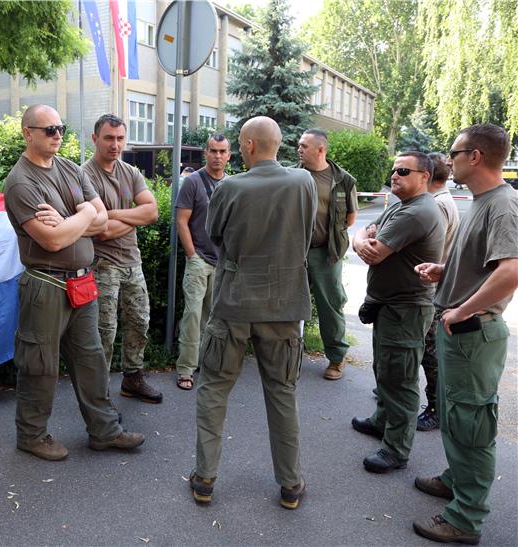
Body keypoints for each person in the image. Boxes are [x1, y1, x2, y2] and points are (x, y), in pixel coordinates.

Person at [2, 104, 144, 461]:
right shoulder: (21, 182)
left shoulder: (68, 168)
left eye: (60, 128)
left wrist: (70, 218)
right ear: (27, 133)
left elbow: (100, 221)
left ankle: (104, 431)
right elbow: (51, 241)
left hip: (82, 282)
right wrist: (83, 214)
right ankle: (32, 435)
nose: (57, 135)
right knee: (39, 364)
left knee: (91, 359)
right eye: (48, 129)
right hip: (45, 284)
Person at [189, 117, 316, 510]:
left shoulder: (228, 187)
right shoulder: (304, 182)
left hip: (234, 304)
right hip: (283, 305)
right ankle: (290, 484)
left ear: (246, 145)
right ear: (278, 144)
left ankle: (206, 479)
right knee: (282, 392)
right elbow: (307, 232)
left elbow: (215, 234)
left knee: (214, 388)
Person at [412, 124, 518, 545]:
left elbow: (511, 272)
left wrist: (460, 310)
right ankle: (456, 479)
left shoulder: (503, 205)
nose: (448, 160)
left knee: (472, 423)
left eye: (453, 153)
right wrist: (446, 272)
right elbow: (487, 266)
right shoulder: (484, 201)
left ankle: (465, 517)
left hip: (473, 333)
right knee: (457, 417)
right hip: (461, 330)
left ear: (475, 156)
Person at [351, 152, 444, 474]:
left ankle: (396, 449)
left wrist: (359, 239)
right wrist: (362, 237)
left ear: (424, 176)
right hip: (390, 306)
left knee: (400, 378)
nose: (394, 175)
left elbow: (373, 253)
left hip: (405, 309)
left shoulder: (417, 211)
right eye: (393, 169)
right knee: (385, 369)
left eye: (403, 171)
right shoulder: (401, 205)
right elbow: (370, 233)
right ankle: (381, 421)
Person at [84, 114, 162, 404]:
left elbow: (152, 212)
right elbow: (101, 232)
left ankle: (132, 378)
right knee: (104, 332)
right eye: (108, 138)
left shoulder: (130, 172)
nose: (115, 144)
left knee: (140, 322)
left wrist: (113, 214)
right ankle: (98, 393)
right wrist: (134, 217)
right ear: (95, 139)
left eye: (119, 138)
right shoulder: (86, 175)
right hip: (102, 265)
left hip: (133, 262)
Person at [297, 129, 358, 380]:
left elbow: (350, 217)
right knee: (290, 306)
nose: (298, 149)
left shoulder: (343, 179)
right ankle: (287, 356)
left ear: (320, 150)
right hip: (294, 253)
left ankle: (336, 358)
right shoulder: (292, 175)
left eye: (304, 146)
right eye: (298, 145)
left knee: (330, 306)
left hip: (326, 254)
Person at [174, 134, 231, 390]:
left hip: (222, 262)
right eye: (213, 151)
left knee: (213, 317)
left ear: (229, 155)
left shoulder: (232, 184)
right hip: (199, 260)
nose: (217, 156)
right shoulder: (193, 182)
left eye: (222, 151)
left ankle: (206, 363)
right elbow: (181, 220)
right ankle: (186, 368)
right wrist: (191, 254)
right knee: (193, 315)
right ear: (205, 153)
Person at [416, 153, 460, 431]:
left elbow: (432, 247)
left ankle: (436, 408)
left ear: (427, 176)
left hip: (432, 290)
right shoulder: (441, 201)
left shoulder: (439, 205)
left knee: (430, 353)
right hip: (433, 286)